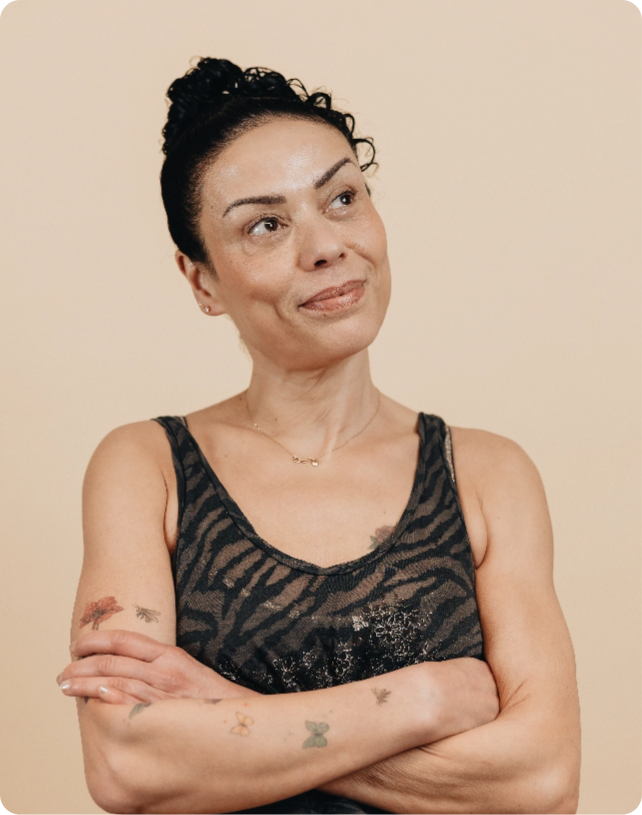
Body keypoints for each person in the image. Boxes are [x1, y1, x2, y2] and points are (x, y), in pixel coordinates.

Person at [57, 58, 580, 815]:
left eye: (342, 197)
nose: (326, 245)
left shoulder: (486, 473)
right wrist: (424, 697)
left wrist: (218, 703)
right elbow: (127, 762)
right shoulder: (147, 466)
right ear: (200, 280)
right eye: (266, 224)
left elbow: (542, 780)